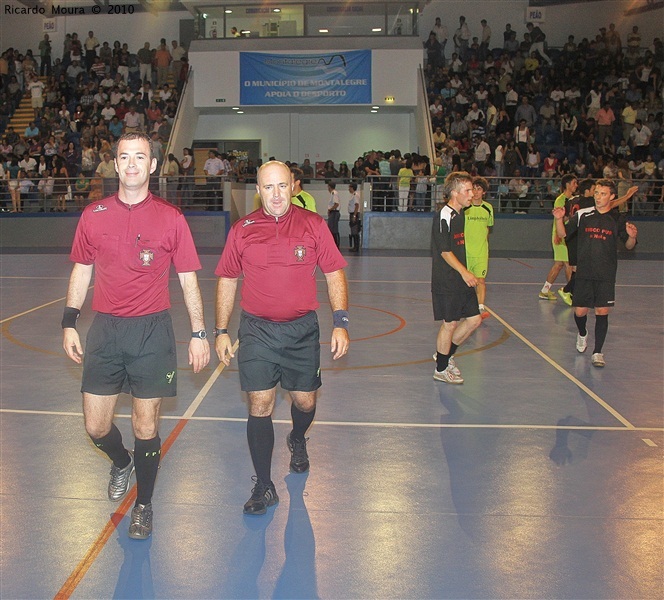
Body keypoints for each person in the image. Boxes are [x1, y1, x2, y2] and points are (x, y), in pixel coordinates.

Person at [62, 132, 210, 540]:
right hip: (105, 332)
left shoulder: (171, 218)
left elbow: (188, 279)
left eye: (139, 157)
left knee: (147, 426)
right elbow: (82, 269)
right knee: (95, 426)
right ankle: (120, 461)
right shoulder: (93, 215)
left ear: (153, 166)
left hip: (152, 334)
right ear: (114, 163)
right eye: (123, 156)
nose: (131, 164)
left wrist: (199, 332)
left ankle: (143, 504)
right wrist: (69, 320)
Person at [213, 160, 349, 515]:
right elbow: (227, 279)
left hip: (302, 331)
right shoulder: (242, 230)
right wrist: (221, 330)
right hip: (257, 331)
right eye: (268, 187)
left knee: (305, 402)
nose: (276, 194)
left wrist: (340, 321)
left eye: (282, 186)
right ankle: (264, 484)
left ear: (294, 187)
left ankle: (298, 437)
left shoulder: (314, 225)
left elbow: (334, 273)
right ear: (258, 190)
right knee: (260, 404)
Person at [553, 179, 637, 368]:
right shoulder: (583, 214)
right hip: (584, 272)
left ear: (612, 197)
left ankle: (598, 352)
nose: (598, 197)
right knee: (580, 311)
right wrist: (559, 219)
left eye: (603, 194)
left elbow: (629, 246)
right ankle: (582, 333)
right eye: (597, 193)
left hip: (606, 273)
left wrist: (632, 237)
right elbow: (563, 233)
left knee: (602, 311)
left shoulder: (617, 219)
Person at [431, 171, 482, 384]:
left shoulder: (461, 214)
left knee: (474, 319)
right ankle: (441, 369)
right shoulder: (444, 215)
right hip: (448, 279)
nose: (472, 194)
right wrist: (465, 272)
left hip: (461, 277)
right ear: (454, 192)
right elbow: (444, 251)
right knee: (450, 323)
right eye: (468, 190)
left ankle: (446, 354)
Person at [539, 174, 577, 300]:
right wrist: (557, 236)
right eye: (574, 183)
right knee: (569, 265)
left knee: (559, 264)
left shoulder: (573, 200)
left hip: (567, 235)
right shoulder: (560, 200)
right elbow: (558, 219)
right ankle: (571, 292)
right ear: (567, 185)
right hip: (561, 237)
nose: (576, 186)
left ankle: (544, 291)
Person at [464, 177, 494, 319]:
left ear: (484, 192)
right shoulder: (465, 208)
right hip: (466, 252)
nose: (475, 192)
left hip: (481, 252)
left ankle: (480, 307)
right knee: (466, 282)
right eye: (473, 189)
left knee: (481, 281)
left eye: (479, 189)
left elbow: (488, 229)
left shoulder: (488, 208)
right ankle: (464, 306)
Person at [348, 181, 361, 252]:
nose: (349, 189)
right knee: (353, 231)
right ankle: (355, 246)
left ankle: (356, 247)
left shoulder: (355, 195)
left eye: (349, 187)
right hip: (352, 213)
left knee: (354, 231)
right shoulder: (353, 195)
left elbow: (357, 205)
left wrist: (354, 215)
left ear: (352, 187)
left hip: (354, 213)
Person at [327, 180, 341, 247]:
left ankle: (336, 244)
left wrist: (330, 209)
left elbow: (336, 204)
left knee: (334, 229)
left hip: (334, 212)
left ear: (329, 187)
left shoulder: (334, 193)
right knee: (332, 229)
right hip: (333, 212)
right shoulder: (333, 193)